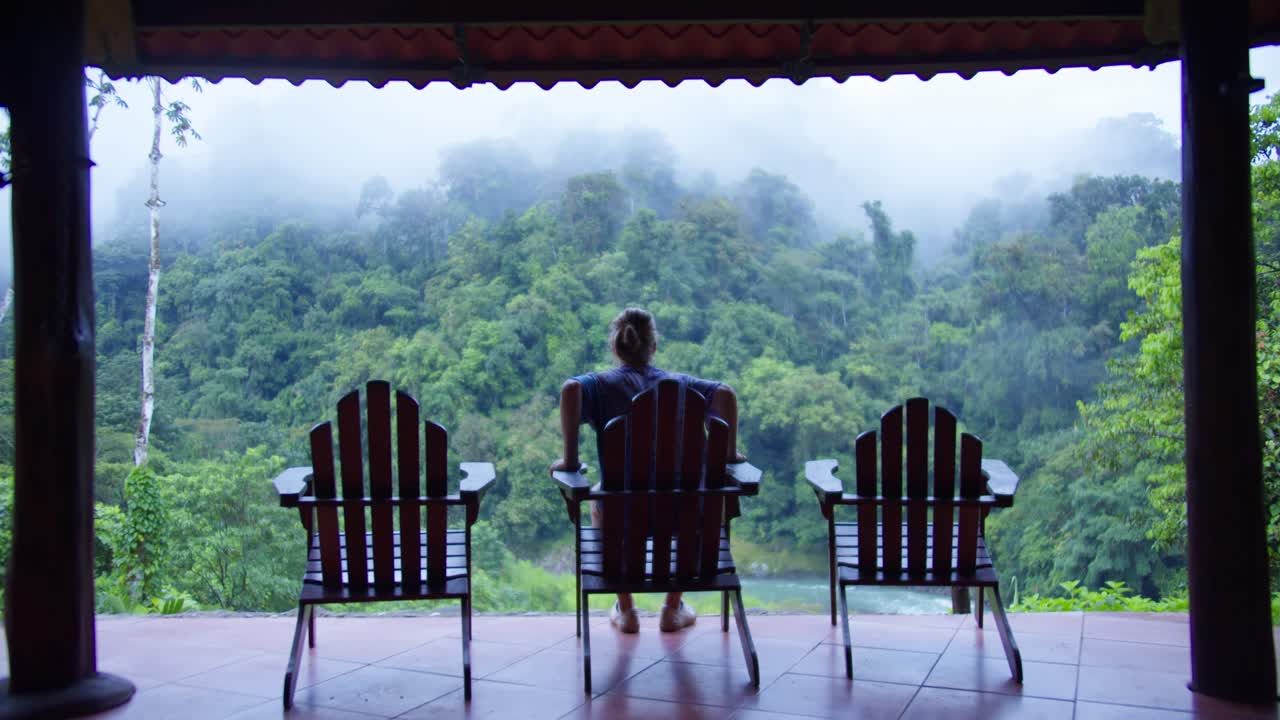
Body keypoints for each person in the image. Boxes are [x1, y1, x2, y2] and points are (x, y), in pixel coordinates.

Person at [550, 307, 745, 634]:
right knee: (694, 492)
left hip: (622, 521)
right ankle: (672, 607)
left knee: (603, 491)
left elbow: (571, 389)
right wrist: (728, 454)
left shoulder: (601, 387)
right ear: (653, 347)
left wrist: (569, 459)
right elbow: (724, 393)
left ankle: (626, 610)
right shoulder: (683, 385)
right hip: (686, 522)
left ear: (616, 348)